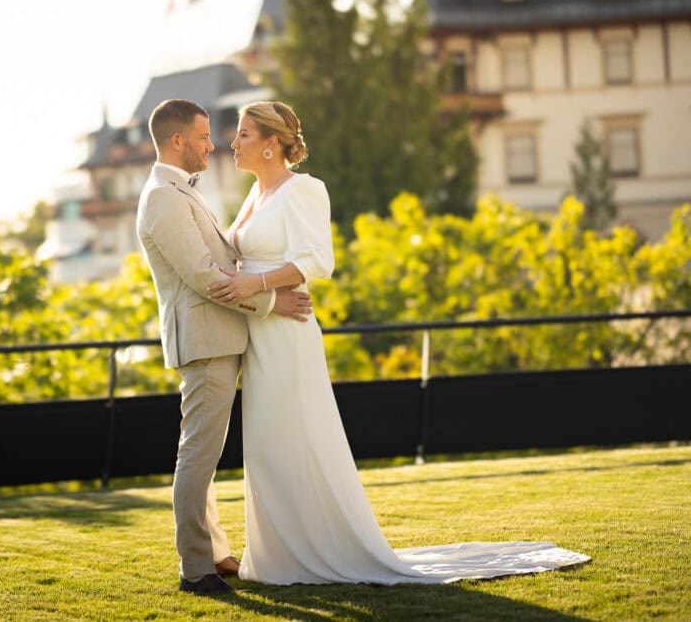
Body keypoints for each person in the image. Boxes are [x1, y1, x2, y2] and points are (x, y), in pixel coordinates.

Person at [206, 100, 591, 585]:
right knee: (267, 446)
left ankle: (311, 552)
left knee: (295, 438)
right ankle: (277, 553)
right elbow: (242, 261)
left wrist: (258, 287)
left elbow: (317, 260)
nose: (233, 143)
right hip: (259, 332)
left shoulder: (304, 189)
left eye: (241, 134)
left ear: (269, 144)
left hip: (288, 335)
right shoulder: (253, 195)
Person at [135, 99, 315, 595]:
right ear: (177, 142)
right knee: (197, 455)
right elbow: (203, 278)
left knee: (204, 456)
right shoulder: (163, 198)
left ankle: (214, 554)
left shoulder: (178, 193)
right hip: (207, 342)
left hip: (218, 338)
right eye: (202, 137)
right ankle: (196, 569)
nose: (212, 145)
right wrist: (271, 302)